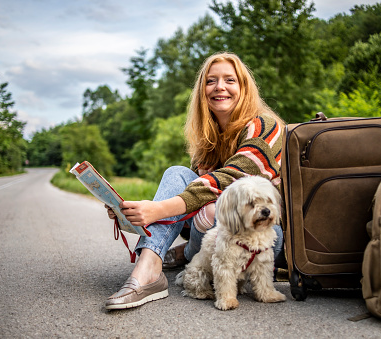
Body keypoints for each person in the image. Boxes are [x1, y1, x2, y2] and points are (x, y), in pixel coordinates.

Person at [104, 52, 286, 310]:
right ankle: (148, 269)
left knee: (213, 205)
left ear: (243, 88)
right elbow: (189, 210)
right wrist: (136, 215)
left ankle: (184, 255)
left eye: (229, 80)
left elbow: (234, 177)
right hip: (212, 239)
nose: (219, 87)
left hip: (261, 235)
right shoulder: (207, 141)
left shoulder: (265, 127)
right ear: (202, 91)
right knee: (177, 173)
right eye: (211, 81)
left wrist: (158, 210)